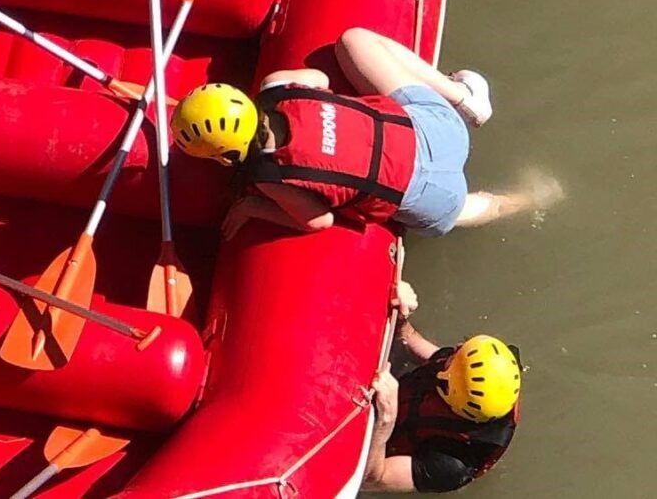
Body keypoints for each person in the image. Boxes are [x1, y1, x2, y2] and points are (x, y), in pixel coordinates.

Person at [172, 27, 563, 238]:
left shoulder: (272, 178)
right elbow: (319, 78)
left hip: (430, 195)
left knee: (483, 207)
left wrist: (254, 205)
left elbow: (318, 221)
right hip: (436, 127)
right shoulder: (278, 86)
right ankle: (463, 98)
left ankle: (530, 198)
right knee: (354, 40)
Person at [364, 280, 521, 492]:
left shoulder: (449, 465)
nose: (455, 347)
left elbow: (373, 479)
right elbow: (409, 338)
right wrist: (400, 316)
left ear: (448, 387)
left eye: (455, 356)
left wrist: (385, 421)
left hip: (389, 440)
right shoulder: (473, 377)